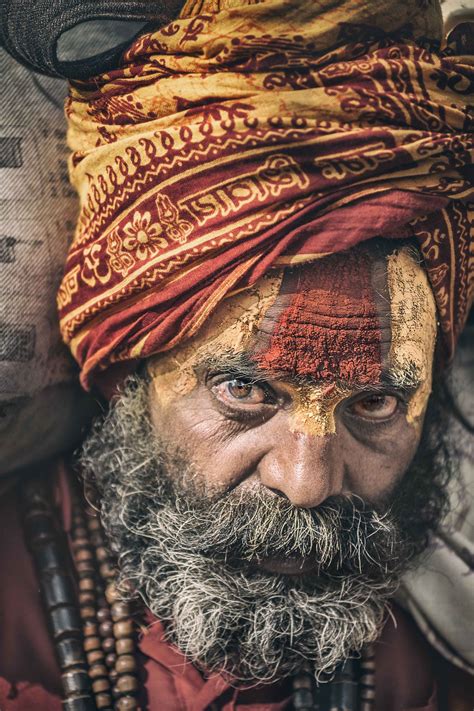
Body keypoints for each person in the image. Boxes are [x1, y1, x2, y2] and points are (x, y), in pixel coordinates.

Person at [0, 0, 473, 708]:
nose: (307, 481)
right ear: (130, 373)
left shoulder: (433, 664)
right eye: (246, 391)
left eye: (374, 403)